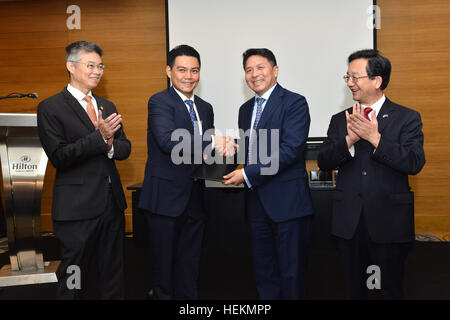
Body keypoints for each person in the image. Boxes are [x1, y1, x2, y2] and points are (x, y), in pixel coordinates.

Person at [317, 49, 425, 299]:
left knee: (387, 290)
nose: (350, 83)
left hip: (389, 222)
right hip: (349, 223)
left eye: (356, 77)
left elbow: (414, 162)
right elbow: (323, 161)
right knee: (353, 290)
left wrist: (375, 138)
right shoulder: (339, 120)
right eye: (348, 77)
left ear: (377, 80)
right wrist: (349, 140)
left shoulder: (406, 118)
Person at [37, 41, 131, 299]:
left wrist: (111, 145)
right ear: (71, 66)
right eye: (91, 65)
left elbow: (125, 147)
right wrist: (99, 138)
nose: (97, 71)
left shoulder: (107, 106)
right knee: (75, 276)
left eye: (101, 66)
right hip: (76, 212)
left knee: (113, 275)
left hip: (111, 207)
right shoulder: (50, 108)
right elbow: (59, 156)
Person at [138, 45, 232, 300]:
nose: (189, 76)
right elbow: (169, 142)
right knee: (163, 268)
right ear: (169, 71)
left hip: (196, 198)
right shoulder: (159, 102)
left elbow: (205, 154)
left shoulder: (205, 107)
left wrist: (228, 153)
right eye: (182, 70)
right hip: (164, 199)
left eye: (194, 70)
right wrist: (214, 143)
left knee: (189, 266)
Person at [223, 48, 313, 299]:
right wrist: (228, 153)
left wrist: (248, 175)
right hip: (255, 204)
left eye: (260, 67)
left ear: (275, 71)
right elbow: (247, 154)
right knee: (264, 273)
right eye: (249, 70)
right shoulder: (244, 109)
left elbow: (290, 150)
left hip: (288, 205)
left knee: (291, 274)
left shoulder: (294, 102)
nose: (254, 74)